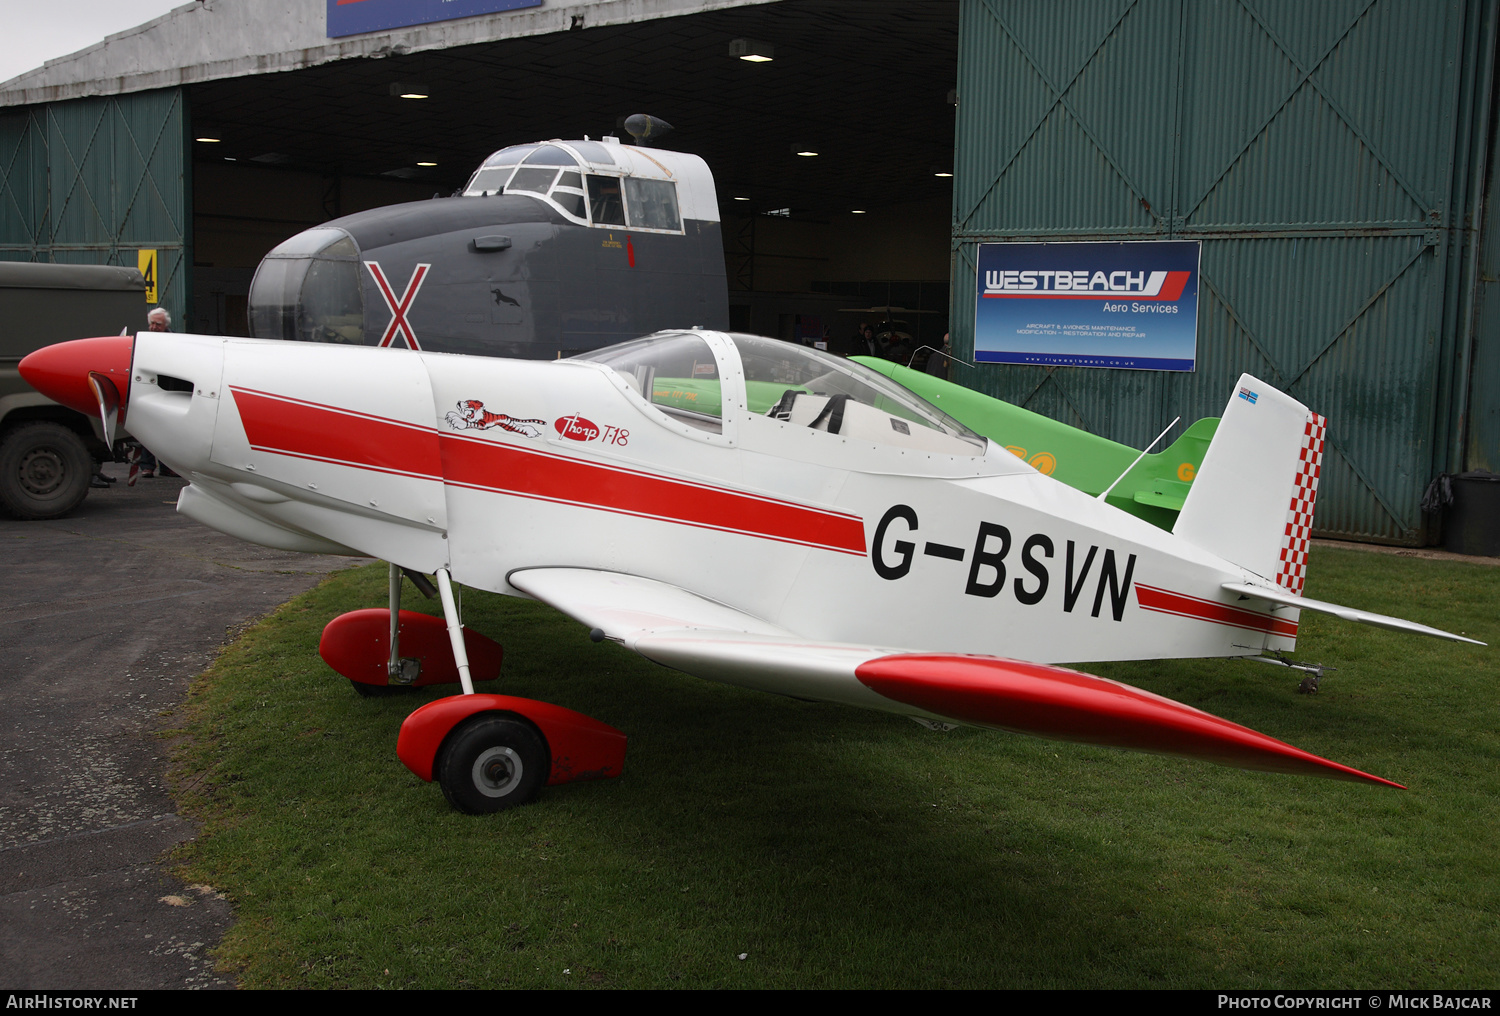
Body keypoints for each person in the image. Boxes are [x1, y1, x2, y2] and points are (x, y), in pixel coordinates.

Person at [139, 307, 175, 477]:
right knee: (147, 428)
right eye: (152, 323)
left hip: (167, 388)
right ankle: (147, 466)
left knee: (166, 430)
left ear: (165, 325)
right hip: (148, 388)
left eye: (157, 324)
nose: (153, 327)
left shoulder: (174, 341)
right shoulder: (144, 341)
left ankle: (166, 466)